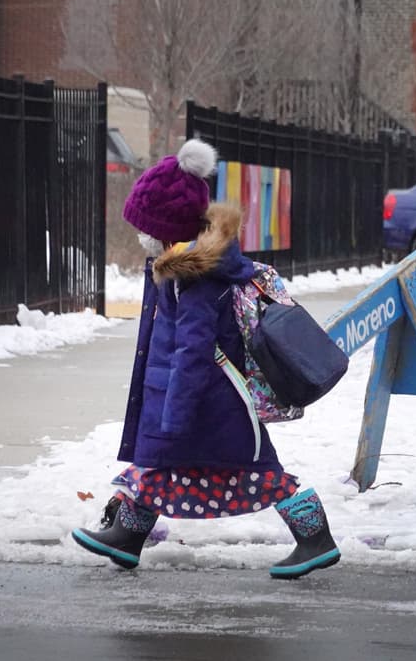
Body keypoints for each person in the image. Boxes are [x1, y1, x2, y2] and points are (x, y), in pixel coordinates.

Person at [71, 138, 341, 580]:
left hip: (209, 401)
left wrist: (175, 415)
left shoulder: (194, 278)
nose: (141, 238)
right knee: (160, 467)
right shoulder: (187, 268)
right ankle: (127, 537)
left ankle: (316, 539)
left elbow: (192, 352)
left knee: (259, 474)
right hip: (203, 398)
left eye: (146, 230)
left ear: (168, 230)